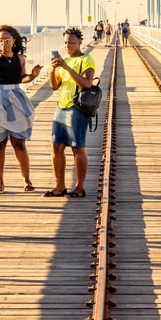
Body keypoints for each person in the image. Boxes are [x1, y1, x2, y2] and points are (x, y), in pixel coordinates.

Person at [0, 25, 43, 193]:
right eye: (0, 40)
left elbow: (21, 79)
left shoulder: (19, 58)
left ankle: (26, 180)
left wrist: (33, 76)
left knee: (19, 143)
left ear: (14, 40)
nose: (4, 43)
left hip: (16, 98)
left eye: (7, 39)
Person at [46, 27, 95, 198]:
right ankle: (59, 186)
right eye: (66, 42)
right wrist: (53, 69)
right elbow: (54, 86)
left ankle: (79, 187)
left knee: (77, 147)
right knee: (56, 147)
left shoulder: (86, 60)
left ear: (80, 42)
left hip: (77, 108)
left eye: (71, 42)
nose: (68, 45)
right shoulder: (63, 62)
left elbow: (87, 83)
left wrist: (67, 67)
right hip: (61, 106)